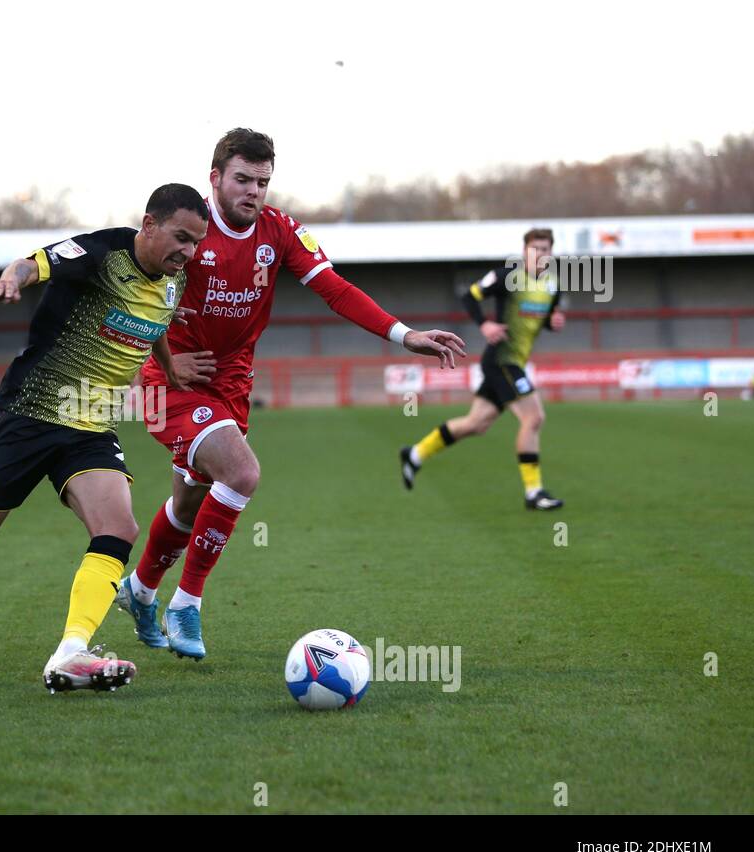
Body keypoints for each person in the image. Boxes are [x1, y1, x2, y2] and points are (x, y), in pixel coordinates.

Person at [118, 129, 466, 660]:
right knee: (242, 473)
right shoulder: (187, 229)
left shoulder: (279, 232)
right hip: (175, 380)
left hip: (232, 382)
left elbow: (335, 289)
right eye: (242, 179)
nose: (253, 191)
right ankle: (185, 603)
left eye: (262, 181)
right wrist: (165, 358)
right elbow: (133, 291)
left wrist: (405, 334)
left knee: (188, 504)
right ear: (215, 178)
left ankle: (140, 591)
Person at [0, 183, 212, 693]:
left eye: (196, 242)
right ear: (149, 224)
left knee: (119, 527)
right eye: (181, 237)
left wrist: (169, 364)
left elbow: (154, 318)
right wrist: (11, 278)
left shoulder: (173, 280)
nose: (189, 251)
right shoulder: (101, 254)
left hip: (90, 426)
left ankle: (71, 653)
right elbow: (34, 263)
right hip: (29, 414)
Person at [402, 228, 565, 510]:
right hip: (502, 360)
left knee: (476, 423)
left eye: (545, 249)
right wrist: (485, 324)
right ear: (525, 251)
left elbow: (543, 320)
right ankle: (533, 493)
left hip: (513, 362)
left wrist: (552, 323)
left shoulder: (552, 286)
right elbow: (470, 296)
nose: (541, 254)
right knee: (534, 417)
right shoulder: (506, 277)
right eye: (535, 248)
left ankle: (415, 454)